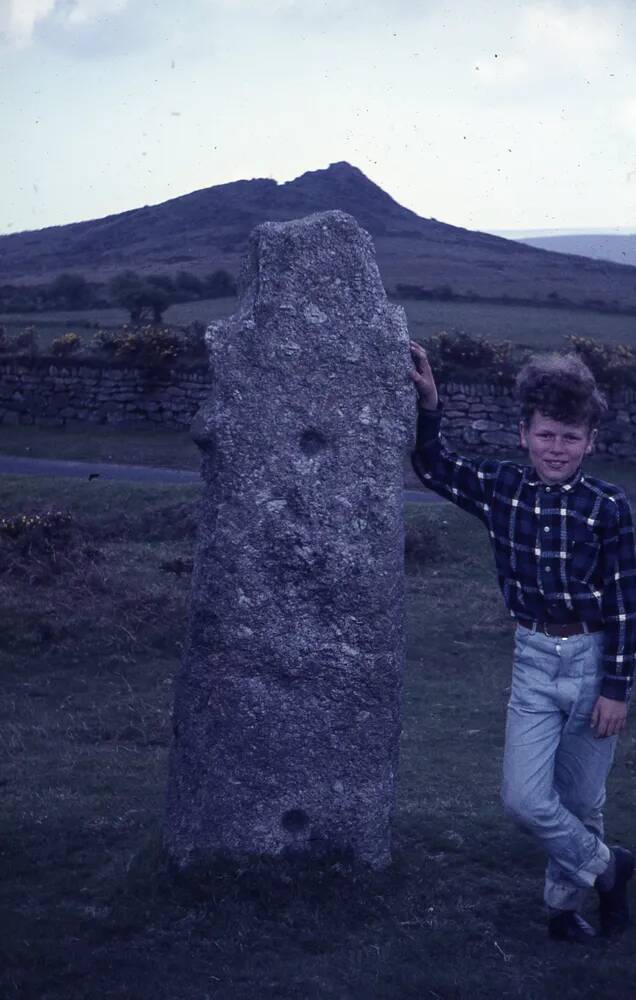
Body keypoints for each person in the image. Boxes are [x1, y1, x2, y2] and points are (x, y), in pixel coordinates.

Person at [409, 342, 634, 943]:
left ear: (589, 440)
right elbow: (433, 465)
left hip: (593, 665)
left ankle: (564, 910)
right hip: (534, 661)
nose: (555, 449)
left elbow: (623, 604)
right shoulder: (503, 489)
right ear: (523, 434)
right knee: (525, 799)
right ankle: (610, 868)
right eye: (545, 435)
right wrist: (430, 404)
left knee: (582, 800)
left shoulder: (609, 507)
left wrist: (616, 689)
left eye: (568, 437)